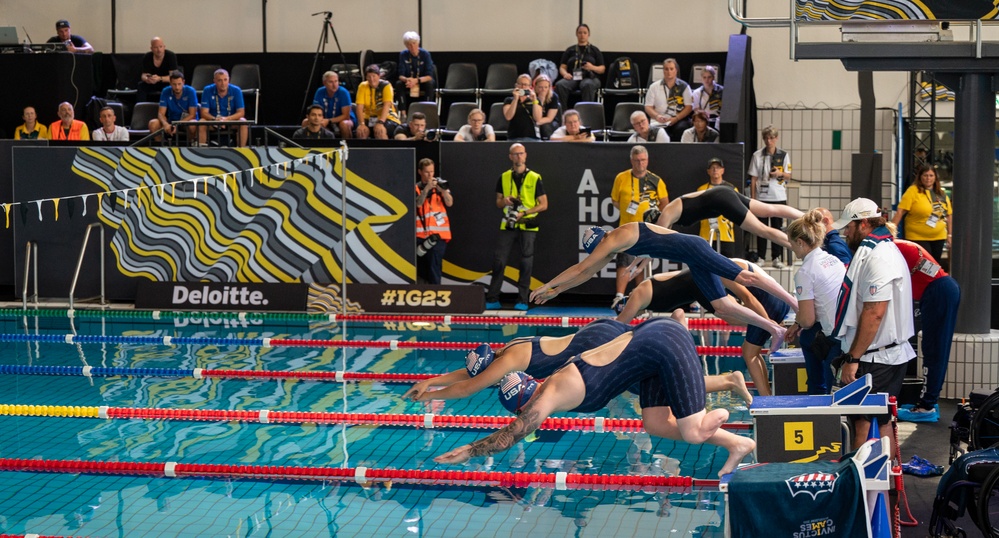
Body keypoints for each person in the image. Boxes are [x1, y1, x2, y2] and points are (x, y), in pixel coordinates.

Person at [433, 318, 757, 478]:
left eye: (524, 410)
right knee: (656, 423)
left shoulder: (554, 392)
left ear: (525, 403)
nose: (529, 414)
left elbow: (514, 432)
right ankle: (736, 445)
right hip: (649, 351)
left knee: (693, 431)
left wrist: (470, 451)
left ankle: (716, 416)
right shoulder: (552, 383)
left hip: (664, 342)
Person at [532, 222, 797, 352]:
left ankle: (794, 303)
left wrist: (548, 285)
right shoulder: (618, 237)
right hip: (691, 255)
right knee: (722, 305)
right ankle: (775, 328)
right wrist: (557, 291)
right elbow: (587, 272)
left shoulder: (615, 237)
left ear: (601, 241)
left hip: (695, 248)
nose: (604, 255)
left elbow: (581, 269)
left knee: (744, 277)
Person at [404, 316, 752, 405]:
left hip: (596, 343)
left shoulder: (504, 364)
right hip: (595, 333)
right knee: (648, 384)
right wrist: (432, 380)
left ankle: (724, 377)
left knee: (650, 388)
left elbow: (469, 387)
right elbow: (469, 372)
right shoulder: (506, 349)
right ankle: (726, 380)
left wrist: (431, 394)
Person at [615, 260, 789, 396]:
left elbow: (618, 325)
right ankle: (770, 326)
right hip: (696, 283)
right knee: (731, 317)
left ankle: (771, 327)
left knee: (736, 324)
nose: (635, 316)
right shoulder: (651, 288)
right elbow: (678, 312)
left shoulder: (638, 294)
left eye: (632, 311)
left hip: (697, 284)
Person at [831, 198, 915, 454]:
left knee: (862, 423)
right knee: (881, 418)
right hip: (884, 354)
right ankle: (886, 483)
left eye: (849, 227)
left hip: (877, 358)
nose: (846, 232)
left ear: (864, 223)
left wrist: (853, 358)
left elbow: (874, 312)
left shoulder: (878, 256)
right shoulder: (883, 250)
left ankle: (859, 487)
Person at [890, 234, 960, 422]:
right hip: (942, 288)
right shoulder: (903, 245)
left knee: (934, 350)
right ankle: (928, 401)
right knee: (934, 349)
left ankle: (927, 406)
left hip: (938, 291)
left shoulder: (891, 248)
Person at [652, 172, 802, 251]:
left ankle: (800, 247)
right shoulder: (670, 214)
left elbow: (655, 245)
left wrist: (636, 268)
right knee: (769, 210)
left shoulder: (665, 215)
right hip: (721, 194)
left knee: (762, 230)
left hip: (720, 200)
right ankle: (808, 216)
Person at [784, 210, 847, 395]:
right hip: (848, 330)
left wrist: (799, 323)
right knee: (807, 338)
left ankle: (815, 396)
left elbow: (808, 320)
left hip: (836, 339)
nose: (791, 248)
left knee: (827, 394)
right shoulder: (832, 259)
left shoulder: (805, 272)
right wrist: (798, 323)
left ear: (800, 242)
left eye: (791, 243)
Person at [485, 144, 549, 311]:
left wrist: (525, 212)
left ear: (525, 155)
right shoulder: (504, 177)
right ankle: (492, 298)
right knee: (499, 260)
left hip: (527, 223)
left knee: (526, 262)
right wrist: (505, 201)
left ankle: (523, 300)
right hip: (508, 222)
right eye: (515, 154)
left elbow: (544, 204)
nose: (518, 157)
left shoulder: (535, 177)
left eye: (521, 154)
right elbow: (498, 202)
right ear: (510, 157)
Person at [610, 145, 668, 307]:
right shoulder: (621, 178)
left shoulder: (656, 180)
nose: (640, 164)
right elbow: (615, 200)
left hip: (647, 229)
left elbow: (665, 203)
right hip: (626, 227)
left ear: (647, 160)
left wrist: (656, 217)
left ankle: (640, 297)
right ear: (631, 161)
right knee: (623, 262)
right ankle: (619, 296)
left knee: (641, 263)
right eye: (636, 161)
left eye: (643, 160)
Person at [748, 125, 792, 267]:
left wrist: (779, 174)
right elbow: (753, 178)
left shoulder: (783, 155)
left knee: (777, 228)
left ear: (776, 139)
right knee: (761, 228)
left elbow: (789, 176)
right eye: (766, 138)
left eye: (772, 138)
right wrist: (753, 199)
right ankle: (761, 257)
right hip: (762, 197)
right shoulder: (757, 155)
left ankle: (776, 258)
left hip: (778, 196)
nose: (769, 141)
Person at [891, 163, 952, 263]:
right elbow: (900, 212)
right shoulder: (913, 191)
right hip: (918, 237)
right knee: (924, 265)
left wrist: (950, 235)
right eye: (925, 175)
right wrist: (890, 231)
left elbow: (949, 215)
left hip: (939, 237)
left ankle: (932, 279)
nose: (928, 178)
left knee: (934, 265)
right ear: (920, 177)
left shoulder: (941, 193)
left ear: (935, 177)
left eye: (931, 175)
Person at [415, 158, 452, 285]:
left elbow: (449, 202)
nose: (430, 175)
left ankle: (436, 293)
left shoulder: (441, 186)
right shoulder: (416, 188)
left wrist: (442, 189)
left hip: (439, 235)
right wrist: (427, 189)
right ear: (420, 172)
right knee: (420, 268)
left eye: (432, 171)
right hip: (420, 235)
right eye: (427, 172)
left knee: (434, 266)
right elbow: (418, 204)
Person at [554, 24, 605, 107]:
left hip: (590, 78)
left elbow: (602, 69)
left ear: (588, 34)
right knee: (560, 85)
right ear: (576, 34)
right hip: (573, 77)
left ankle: (586, 115)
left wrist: (592, 67)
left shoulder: (594, 50)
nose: (582, 35)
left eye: (585, 33)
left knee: (587, 85)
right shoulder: (570, 50)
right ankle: (562, 115)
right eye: (580, 33)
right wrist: (565, 74)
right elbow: (562, 67)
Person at [696, 157, 738, 257]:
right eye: (712, 168)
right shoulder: (701, 189)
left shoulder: (732, 189)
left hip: (726, 235)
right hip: (706, 234)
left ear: (723, 170)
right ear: (708, 171)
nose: (715, 170)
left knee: (728, 265)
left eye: (718, 167)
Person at [644, 58, 693, 141]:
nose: (669, 71)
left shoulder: (684, 87)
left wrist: (676, 118)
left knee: (681, 128)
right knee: (658, 132)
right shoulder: (654, 87)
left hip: (678, 119)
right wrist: (657, 116)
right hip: (659, 120)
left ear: (676, 70)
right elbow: (648, 107)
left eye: (671, 69)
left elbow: (689, 107)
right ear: (663, 71)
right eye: (666, 69)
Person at [198, 68, 248, 147]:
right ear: (214, 81)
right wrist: (215, 119)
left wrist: (227, 119)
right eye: (220, 80)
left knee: (243, 121)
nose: (223, 83)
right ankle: (201, 151)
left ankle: (241, 150)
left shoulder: (236, 90)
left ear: (229, 80)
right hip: (213, 121)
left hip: (230, 121)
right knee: (201, 122)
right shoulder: (207, 90)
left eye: (225, 80)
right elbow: (204, 113)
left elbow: (241, 112)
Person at [149, 70, 198, 143]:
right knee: (153, 123)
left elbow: (192, 114)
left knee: (193, 124)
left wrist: (177, 124)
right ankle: (161, 146)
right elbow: (161, 113)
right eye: (174, 84)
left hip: (186, 121)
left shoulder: (190, 91)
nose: (177, 87)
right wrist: (165, 124)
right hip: (171, 121)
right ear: (170, 83)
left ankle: (190, 145)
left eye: (179, 84)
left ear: (183, 82)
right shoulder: (165, 91)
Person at [355, 65, 401, 140]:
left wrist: (380, 122)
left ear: (379, 76)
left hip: (387, 117)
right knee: (361, 132)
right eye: (369, 77)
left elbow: (386, 106)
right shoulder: (362, 86)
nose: (371, 79)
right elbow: (359, 107)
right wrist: (362, 124)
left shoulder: (386, 86)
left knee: (380, 131)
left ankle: (384, 151)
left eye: (374, 76)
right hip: (368, 117)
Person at [396, 31, 436, 111]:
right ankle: (403, 113)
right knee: (399, 84)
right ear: (406, 46)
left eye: (414, 43)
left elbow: (429, 76)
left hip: (422, 81)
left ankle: (427, 111)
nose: (412, 46)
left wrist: (416, 80)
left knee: (430, 84)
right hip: (408, 82)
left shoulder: (425, 54)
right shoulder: (403, 54)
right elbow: (400, 75)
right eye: (409, 44)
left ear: (418, 43)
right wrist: (407, 80)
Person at [309, 71, 354, 138]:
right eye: (331, 82)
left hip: (342, 120)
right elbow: (316, 110)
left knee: (344, 124)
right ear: (324, 83)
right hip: (324, 119)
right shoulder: (319, 91)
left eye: (336, 81)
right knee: (306, 122)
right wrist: (320, 120)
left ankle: (347, 146)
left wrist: (329, 121)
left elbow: (346, 116)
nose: (334, 85)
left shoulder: (343, 92)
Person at [137, 37, 178, 103]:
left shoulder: (170, 56)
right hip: (152, 83)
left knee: (172, 86)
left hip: (165, 83)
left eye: (161, 47)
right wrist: (147, 79)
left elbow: (173, 77)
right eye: (156, 47)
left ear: (164, 47)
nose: (159, 50)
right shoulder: (147, 56)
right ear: (151, 49)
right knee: (141, 86)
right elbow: (143, 75)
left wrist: (159, 78)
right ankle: (141, 107)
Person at [503, 74, 539, 141]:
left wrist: (534, 100)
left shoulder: (536, 100)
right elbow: (508, 117)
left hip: (532, 137)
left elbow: (537, 118)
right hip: (514, 136)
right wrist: (515, 99)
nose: (523, 86)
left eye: (525, 84)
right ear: (516, 85)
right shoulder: (509, 100)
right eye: (520, 84)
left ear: (530, 87)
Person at [691, 65, 723, 130]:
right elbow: (696, 110)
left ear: (713, 77)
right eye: (704, 77)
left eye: (709, 77)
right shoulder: (697, 92)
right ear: (701, 79)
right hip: (703, 118)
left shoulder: (722, 91)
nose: (707, 80)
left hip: (718, 119)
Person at [531, 74, 561, 140]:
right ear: (535, 87)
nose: (543, 90)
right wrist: (540, 100)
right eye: (540, 87)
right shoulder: (532, 96)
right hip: (534, 120)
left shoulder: (554, 97)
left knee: (545, 126)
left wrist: (537, 122)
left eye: (546, 87)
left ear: (549, 87)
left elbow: (549, 118)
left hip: (550, 122)